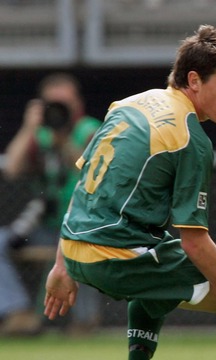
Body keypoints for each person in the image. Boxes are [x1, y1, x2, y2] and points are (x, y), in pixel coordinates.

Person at [42, 25, 216, 360]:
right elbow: (194, 243)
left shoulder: (129, 105)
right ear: (194, 80)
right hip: (117, 258)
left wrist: (63, 265)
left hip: (79, 250)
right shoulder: (189, 138)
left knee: (158, 257)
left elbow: (84, 190)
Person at [1, 72, 102, 336]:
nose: (58, 111)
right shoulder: (40, 134)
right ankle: (18, 312)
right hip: (45, 225)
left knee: (82, 247)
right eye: (52, 105)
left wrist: (65, 142)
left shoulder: (90, 129)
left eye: (63, 105)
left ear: (77, 104)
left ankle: (85, 322)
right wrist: (29, 127)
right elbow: (11, 167)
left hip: (85, 223)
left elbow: (95, 174)